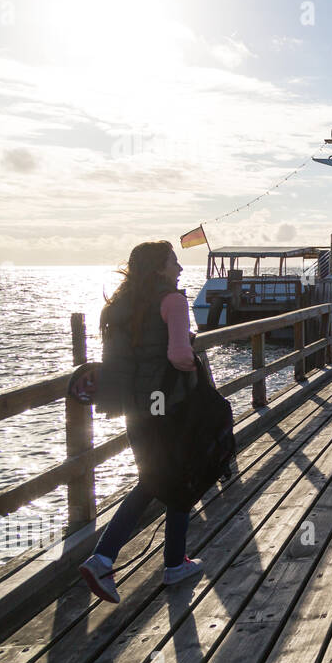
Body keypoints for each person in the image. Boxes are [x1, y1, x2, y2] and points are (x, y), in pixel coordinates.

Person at [79, 241, 204, 603]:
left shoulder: (120, 305)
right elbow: (179, 356)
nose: (179, 268)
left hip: (134, 403)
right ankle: (105, 557)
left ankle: (172, 561)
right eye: (173, 261)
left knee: (162, 476)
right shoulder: (173, 301)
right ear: (158, 268)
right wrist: (194, 365)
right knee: (164, 478)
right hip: (165, 400)